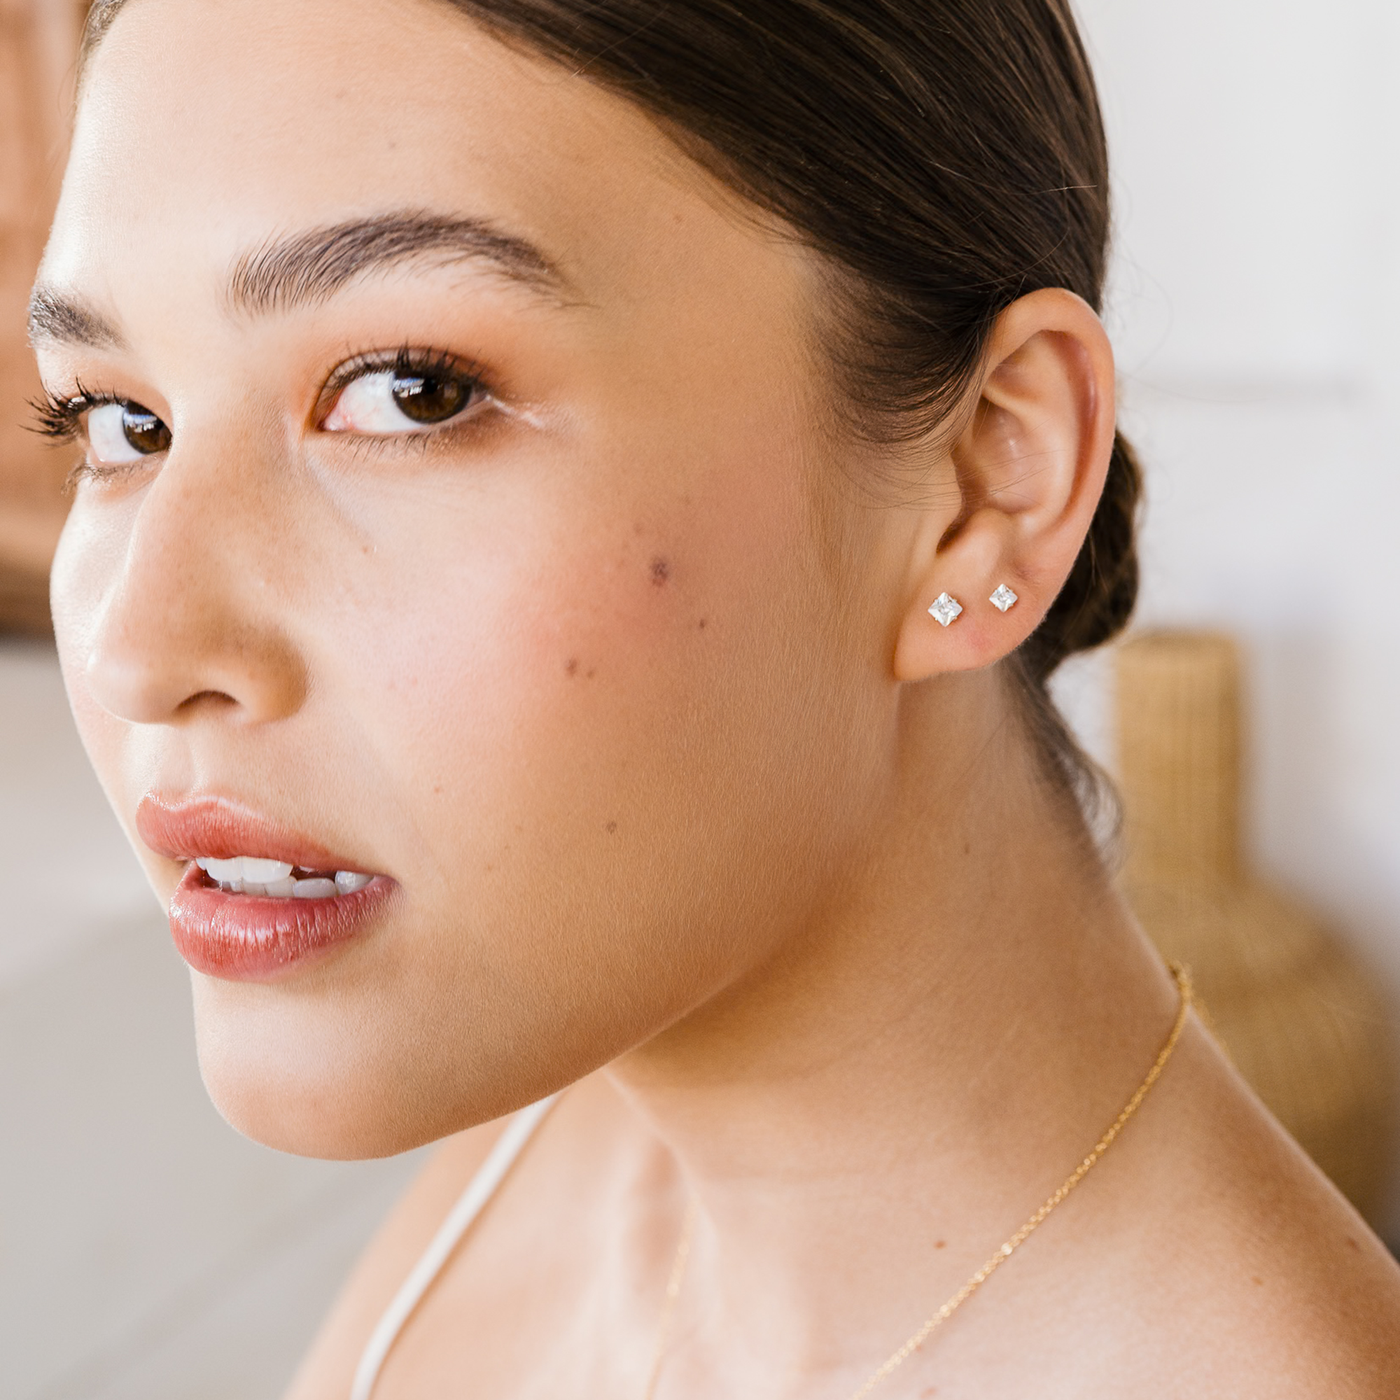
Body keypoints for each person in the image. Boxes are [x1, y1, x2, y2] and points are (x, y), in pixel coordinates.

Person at [30, 0, 1400, 1395]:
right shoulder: (560, 1116)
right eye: (116, 422)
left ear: (988, 483)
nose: (141, 644)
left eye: (415, 392)